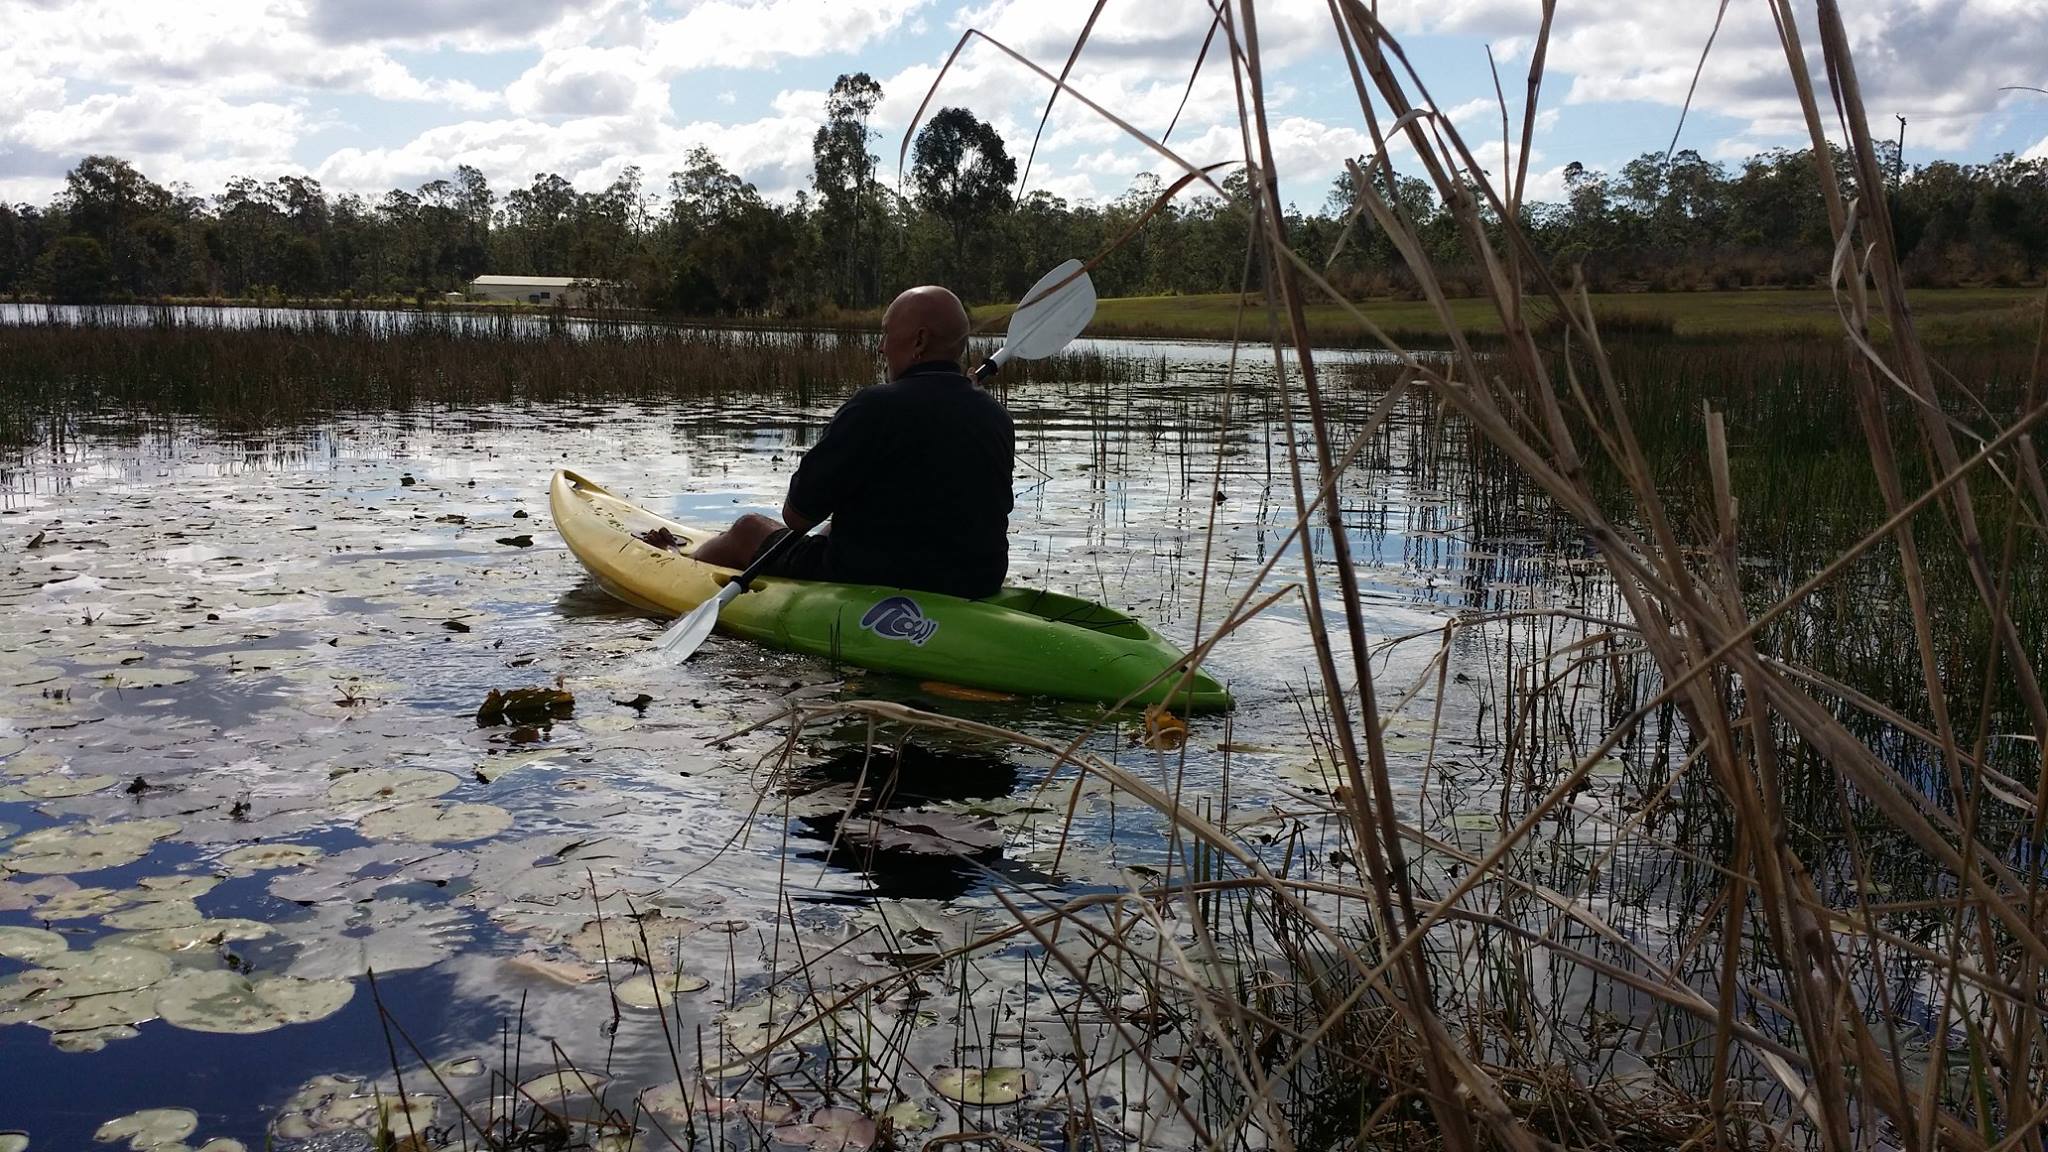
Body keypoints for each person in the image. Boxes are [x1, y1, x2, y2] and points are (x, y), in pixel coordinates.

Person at [691, 285, 1014, 600]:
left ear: (920, 340)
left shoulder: (874, 406)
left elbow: (796, 516)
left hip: (875, 575)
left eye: (886, 333)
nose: (881, 347)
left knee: (747, 529)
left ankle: (677, 570)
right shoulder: (996, 415)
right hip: (977, 581)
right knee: (842, 522)